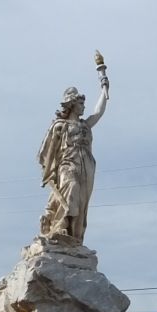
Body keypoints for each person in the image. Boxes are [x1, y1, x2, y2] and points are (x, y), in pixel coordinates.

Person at [37, 68, 110, 244]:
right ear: (71, 104)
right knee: (71, 189)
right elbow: (47, 152)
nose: (83, 106)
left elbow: (99, 112)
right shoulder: (60, 126)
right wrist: (48, 172)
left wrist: (104, 89)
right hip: (67, 164)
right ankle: (60, 225)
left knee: (82, 201)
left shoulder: (86, 125)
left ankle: (74, 235)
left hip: (86, 166)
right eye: (80, 103)